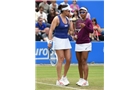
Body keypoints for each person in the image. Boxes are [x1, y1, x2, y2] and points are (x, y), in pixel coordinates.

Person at [48, 4, 74, 86]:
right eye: (68, 11)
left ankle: (64, 77)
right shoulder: (57, 18)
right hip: (58, 40)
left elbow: (71, 31)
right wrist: (50, 41)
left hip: (66, 40)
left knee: (69, 59)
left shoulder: (67, 18)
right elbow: (51, 30)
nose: (69, 12)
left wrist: (71, 20)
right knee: (61, 58)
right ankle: (58, 80)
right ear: (64, 11)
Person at [74, 7, 93, 86]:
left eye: (83, 12)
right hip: (78, 43)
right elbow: (76, 31)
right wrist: (75, 36)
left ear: (86, 13)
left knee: (84, 61)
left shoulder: (89, 21)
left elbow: (91, 30)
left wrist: (84, 26)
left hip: (86, 43)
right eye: (80, 12)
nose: (81, 13)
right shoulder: (77, 21)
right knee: (79, 62)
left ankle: (85, 80)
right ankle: (81, 78)